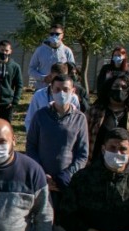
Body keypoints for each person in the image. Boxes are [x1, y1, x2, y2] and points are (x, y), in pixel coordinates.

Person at [58, 128, 129, 231]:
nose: (117, 153)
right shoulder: (82, 178)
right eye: (112, 148)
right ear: (103, 149)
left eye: (123, 149)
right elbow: (65, 214)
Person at [25, 74, 89, 207]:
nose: (61, 93)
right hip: (41, 180)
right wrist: (41, 173)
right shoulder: (40, 115)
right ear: (51, 90)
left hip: (67, 182)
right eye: (57, 89)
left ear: (73, 91)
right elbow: (31, 146)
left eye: (65, 89)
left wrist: (68, 174)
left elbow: (82, 153)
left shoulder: (79, 118)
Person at [88, 74, 129, 161]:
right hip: (97, 162)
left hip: (123, 164)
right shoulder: (95, 111)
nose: (120, 89)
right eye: (116, 86)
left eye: (124, 87)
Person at [23, 63, 80, 132]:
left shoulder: (73, 98)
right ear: (50, 76)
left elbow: (76, 122)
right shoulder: (39, 95)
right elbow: (30, 119)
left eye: (62, 78)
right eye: (56, 78)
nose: (59, 82)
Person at [28, 24, 76, 90]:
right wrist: (43, 78)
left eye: (57, 34)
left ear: (62, 35)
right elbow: (31, 69)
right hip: (42, 89)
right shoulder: (40, 50)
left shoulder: (67, 51)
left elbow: (72, 71)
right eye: (52, 34)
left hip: (60, 90)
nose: (54, 36)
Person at [0, 40, 23, 122]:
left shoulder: (15, 67)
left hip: (7, 104)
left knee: (6, 128)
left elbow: (19, 85)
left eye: (6, 50)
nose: (4, 53)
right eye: (2, 50)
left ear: (10, 51)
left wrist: (14, 101)